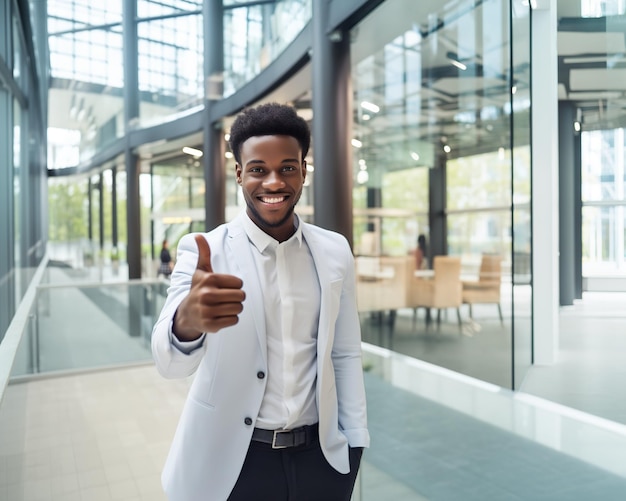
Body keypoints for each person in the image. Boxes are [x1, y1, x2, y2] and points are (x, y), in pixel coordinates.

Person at [151, 102, 370, 501]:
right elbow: (169, 364)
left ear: (304, 170)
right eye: (258, 169)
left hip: (320, 460)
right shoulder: (205, 251)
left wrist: (354, 445)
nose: (273, 182)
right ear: (239, 174)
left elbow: (345, 353)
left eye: (287, 167)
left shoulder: (334, 250)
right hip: (234, 464)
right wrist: (188, 321)